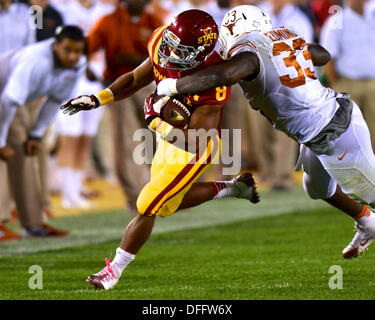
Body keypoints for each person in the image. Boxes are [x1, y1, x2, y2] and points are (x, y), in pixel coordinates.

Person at [60, 9, 260, 290]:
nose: (169, 52)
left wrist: (156, 122)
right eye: (170, 42)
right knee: (169, 204)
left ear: (200, 54)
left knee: (147, 203)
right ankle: (232, 188)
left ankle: (113, 271)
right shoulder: (161, 41)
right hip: (171, 138)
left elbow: (197, 138)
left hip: (196, 146)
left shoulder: (213, 79)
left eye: (180, 50)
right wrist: (98, 98)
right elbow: (134, 78)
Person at [156, 5, 375, 259]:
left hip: (334, 129)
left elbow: (225, 75)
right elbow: (322, 55)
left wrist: (171, 85)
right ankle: (368, 223)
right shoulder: (280, 38)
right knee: (316, 188)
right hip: (324, 124)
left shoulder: (249, 53)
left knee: (368, 190)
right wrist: (296, 48)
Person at [0, 25, 86, 237]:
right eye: (68, 50)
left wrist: (36, 135)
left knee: (25, 151)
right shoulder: (35, 62)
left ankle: (33, 224)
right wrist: (0, 141)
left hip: (15, 100)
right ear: (55, 45)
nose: (73, 56)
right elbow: (8, 102)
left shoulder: (76, 65)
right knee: (7, 153)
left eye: (78, 51)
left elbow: (55, 100)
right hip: (5, 97)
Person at [86, 0, 163, 211]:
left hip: (148, 85)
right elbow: (87, 47)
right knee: (127, 141)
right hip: (118, 84)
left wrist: (138, 59)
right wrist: (88, 68)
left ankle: (163, 192)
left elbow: (165, 56)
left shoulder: (154, 21)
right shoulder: (108, 22)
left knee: (158, 138)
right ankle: (136, 198)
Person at [320, 0, 375, 151]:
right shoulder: (337, 21)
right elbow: (328, 57)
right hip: (347, 83)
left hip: (372, 84)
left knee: (373, 132)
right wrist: (336, 86)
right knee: (348, 134)